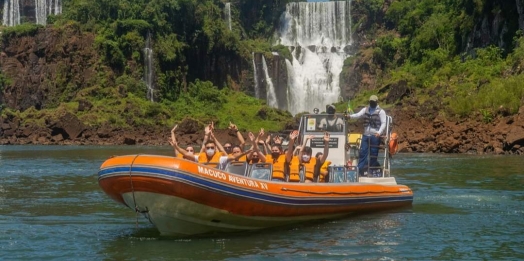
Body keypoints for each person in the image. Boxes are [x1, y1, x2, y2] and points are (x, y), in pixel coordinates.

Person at [348, 95, 387, 176]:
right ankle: (359, 171)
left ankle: (372, 171)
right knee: (362, 153)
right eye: (370, 101)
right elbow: (358, 115)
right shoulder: (365, 109)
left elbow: (384, 123)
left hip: (375, 136)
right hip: (366, 135)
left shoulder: (381, 111)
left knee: (373, 154)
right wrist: (350, 116)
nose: (372, 103)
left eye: (373, 102)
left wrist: (379, 133)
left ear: (376, 102)